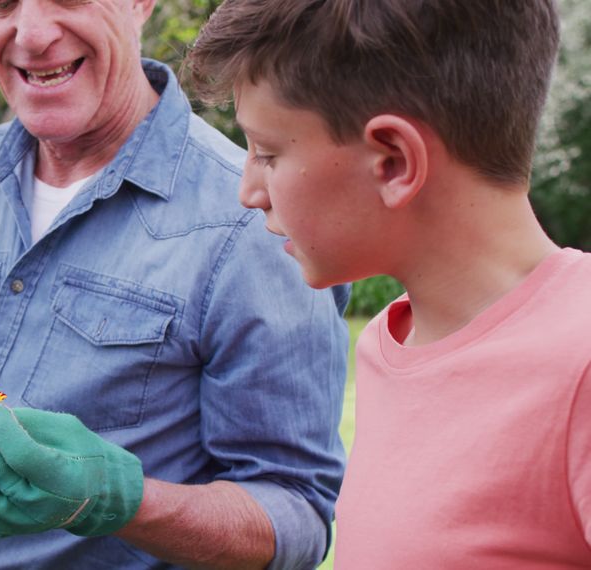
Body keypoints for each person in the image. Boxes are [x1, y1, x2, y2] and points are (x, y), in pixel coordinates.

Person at [0, 0, 350, 568]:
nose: (31, 33)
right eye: (1, 3)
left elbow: (294, 512)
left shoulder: (251, 221)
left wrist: (125, 503)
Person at [185, 0, 591, 568]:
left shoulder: (580, 363)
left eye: (268, 154)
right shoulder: (387, 343)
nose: (248, 191)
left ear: (395, 162)